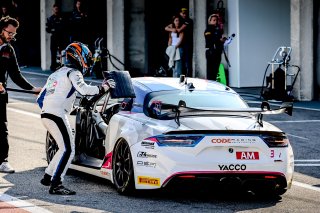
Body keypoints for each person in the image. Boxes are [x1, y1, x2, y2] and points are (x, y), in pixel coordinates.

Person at [36, 42, 115, 195]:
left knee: (62, 148)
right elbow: (84, 90)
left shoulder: (55, 74)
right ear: (79, 57)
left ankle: (47, 177)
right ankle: (56, 184)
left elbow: (40, 99)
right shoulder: (74, 72)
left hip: (46, 114)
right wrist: (104, 87)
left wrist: (53, 103)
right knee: (69, 150)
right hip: (57, 114)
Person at [0, 16, 42, 173]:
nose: (11, 36)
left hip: (0, 94)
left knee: (2, 129)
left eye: (13, 34)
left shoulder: (8, 49)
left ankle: (3, 161)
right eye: (9, 33)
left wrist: (32, 89)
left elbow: (15, 74)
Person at [165, 8, 193, 77]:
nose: (184, 14)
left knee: (180, 65)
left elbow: (180, 32)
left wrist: (174, 29)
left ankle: (182, 78)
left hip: (179, 47)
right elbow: (169, 36)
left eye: (185, 13)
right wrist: (169, 47)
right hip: (173, 48)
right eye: (182, 13)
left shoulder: (187, 21)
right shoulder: (172, 27)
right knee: (173, 65)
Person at [204, 14, 226, 81]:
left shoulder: (218, 30)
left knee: (215, 70)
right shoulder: (208, 29)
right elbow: (209, 39)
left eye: (216, 20)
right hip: (211, 52)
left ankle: (213, 84)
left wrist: (223, 40)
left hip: (217, 51)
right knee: (211, 71)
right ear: (210, 21)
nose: (215, 22)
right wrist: (218, 40)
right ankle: (210, 86)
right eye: (214, 20)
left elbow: (219, 39)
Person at [46, 4, 67, 71]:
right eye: (55, 9)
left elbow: (64, 27)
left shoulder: (63, 18)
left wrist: (56, 29)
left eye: (57, 9)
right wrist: (54, 29)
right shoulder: (50, 18)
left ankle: (62, 65)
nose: (56, 10)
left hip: (61, 37)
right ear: (53, 9)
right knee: (53, 52)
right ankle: (53, 66)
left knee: (62, 52)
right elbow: (48, 29)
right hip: (54, 37)